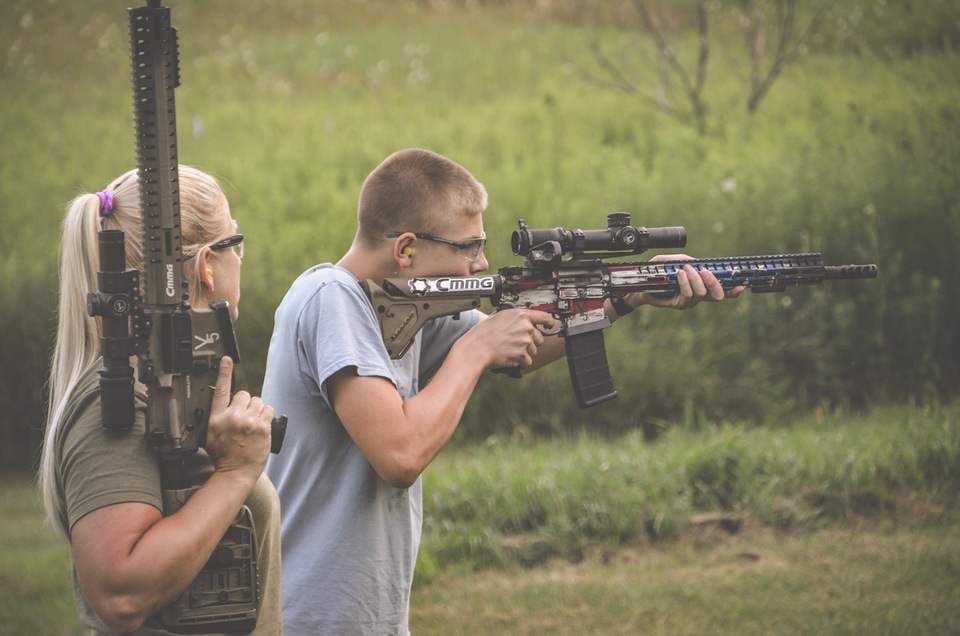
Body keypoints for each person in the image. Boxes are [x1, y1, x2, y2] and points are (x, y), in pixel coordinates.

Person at [263, 148, 741, 634]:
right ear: (406, 249)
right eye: (468, 246)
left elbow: (524, 345)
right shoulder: (332, 299)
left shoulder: (404, 308)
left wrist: (627, 294)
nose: (481, 263)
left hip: (368, 617)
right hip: (312, 617)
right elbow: (399, 454)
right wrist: (474, 350)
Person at [38, 166, 283, 635]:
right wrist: (234, 474)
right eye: (238, 243)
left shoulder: (163, 381)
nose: (241, 259)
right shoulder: (116, 395)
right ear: (208, 265)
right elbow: (121, 594)